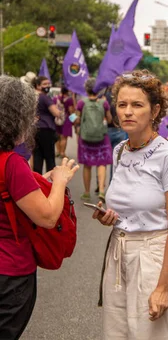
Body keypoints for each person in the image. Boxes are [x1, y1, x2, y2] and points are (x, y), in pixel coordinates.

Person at [93, 70, 168, 340]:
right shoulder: (120, 150)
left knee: (152, 334)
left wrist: (163, 286)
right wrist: (109, 215)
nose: (127, 112)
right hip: (118, 252)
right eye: (122, 105)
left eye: (137, 105)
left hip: (153, 257)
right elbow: (130, 201)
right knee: (119, 333)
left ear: (155, 109)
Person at [0, 76, 79, 339]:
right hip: (10, 272)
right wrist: (59, 181)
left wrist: (37, 183)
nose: (33, 120)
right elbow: (46, 216)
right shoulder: (11, 162)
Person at [75, 78, 113, 202]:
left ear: (86, 89)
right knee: (102, 163)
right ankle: (101, 190)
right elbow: (110, 119)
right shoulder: (104, 103)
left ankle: (86, 192)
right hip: (101, 138)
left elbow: (75, 119)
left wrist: (74, 121)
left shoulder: (81, 103)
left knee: (87, 165)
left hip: (85, 138)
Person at [32, 76, 62, 174]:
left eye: (49, 84)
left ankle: (38, 181)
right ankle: (50, 183)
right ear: (38, 85)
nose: (48, 86)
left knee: (37, 157)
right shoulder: (45, 98)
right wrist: (59, 109)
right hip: (46, 130)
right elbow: (56, 113)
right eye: (45, 84)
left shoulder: (32, 97)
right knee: (50, 158)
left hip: (35, 129)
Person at [54, 87, 75, 159]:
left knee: (58, 137)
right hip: (66, 120)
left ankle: (58, 151)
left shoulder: (55, 98)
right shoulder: (69, 99)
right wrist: (74, 120)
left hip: (57, 119)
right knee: (64, 137)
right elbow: (71, 110)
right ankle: (62, 153)